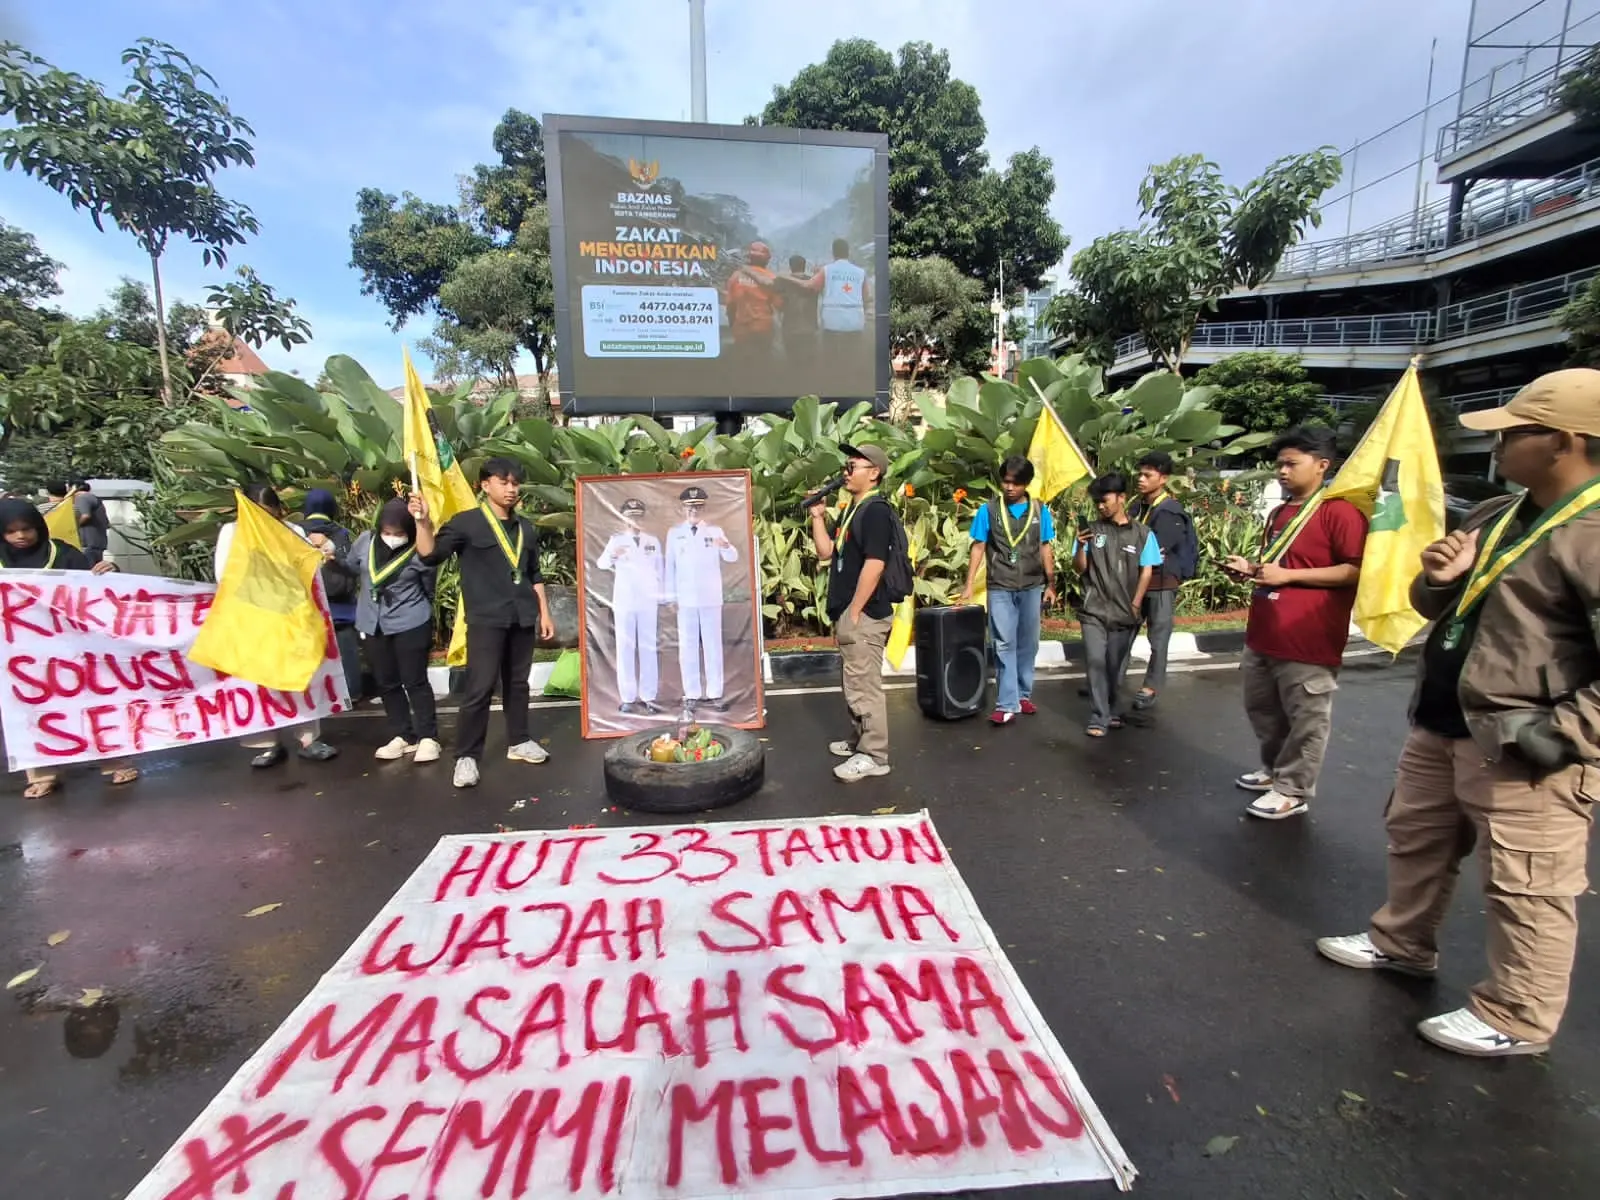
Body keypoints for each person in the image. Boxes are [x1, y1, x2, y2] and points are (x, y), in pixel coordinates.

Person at [1315, 370, 1600, 1058]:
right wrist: (1437, 580)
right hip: (1444, 720)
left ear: (1563, 441)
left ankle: (1518, 1013)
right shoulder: (1496, 513)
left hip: (1523, 739)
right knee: (1416, 839)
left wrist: (1558, 733)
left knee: (1525, 881)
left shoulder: (1589, 536)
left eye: (1512, 432)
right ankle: (1401, 942)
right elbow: (1432, 606)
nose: (1497, 444)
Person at [1223, 425, 1367, 820]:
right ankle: (1273, 771)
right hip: (1265, 633)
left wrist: (1287, 578)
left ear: (1322, 465)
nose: (1281, 472)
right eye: (1278, 464)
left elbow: (1354, 570)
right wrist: (1251, 569)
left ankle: (1294, 788)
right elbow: (1280, 565)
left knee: (1306, 718)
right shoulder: (1279, 512)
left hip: (1309, 637)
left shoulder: (1339, 512)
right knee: (1264, 711)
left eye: (1291, 463)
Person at [411, 457, 556, 789]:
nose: (511, 489)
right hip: (486, 618)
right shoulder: (466, 523)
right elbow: (430, 554)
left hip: (522, 615)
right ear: (485, 485)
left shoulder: (525, 528)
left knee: (518, 684)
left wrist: (544, 612)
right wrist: (422, 522)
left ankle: (519, 741)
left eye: (515, 483)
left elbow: (534, 574)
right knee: (480, 688)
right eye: (503, 482)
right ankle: (467, 756)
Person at [0, 498, 137, 797]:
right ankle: (43, 773)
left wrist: (110, 569)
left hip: (71, 649)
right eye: (11, 532)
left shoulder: (62, 553)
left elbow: (95, 587)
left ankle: (115, 763)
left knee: (93, 704)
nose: (20, 536)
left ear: (39, 527)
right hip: (21, 657)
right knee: (31, 711)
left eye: (26, 529)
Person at [214, 484, 340, 768]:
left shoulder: (292, 532)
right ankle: (269, 744)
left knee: (301, 677)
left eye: (269, 515)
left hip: (291, 619)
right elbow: (223, 575)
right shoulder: (231, 533)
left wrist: (323, 550)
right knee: (260, 683)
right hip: (253, 621)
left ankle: (309, 739)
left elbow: (310, 567)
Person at [808, 443, 895, 782]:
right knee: (854, 682)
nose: (846, 471)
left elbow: (875, 563)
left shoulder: (875, 511)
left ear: (873, 473)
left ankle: (874, 755)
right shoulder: (852, 510)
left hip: (865, 613)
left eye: (853, 465)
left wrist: (856, 611)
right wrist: (818, 516)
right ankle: (860, 740)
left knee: (864, 686)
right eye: (846, 465)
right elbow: (826, 551)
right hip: (850, 610)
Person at [961, 456, 1057, 725]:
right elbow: (978, 547)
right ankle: (1006, 703)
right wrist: (969, 583)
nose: (1009, 487)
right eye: (1005, 481)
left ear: (1026, 484)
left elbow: (1045, 547)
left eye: (1015, 483)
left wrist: (1051, 584)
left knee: (1029, 643)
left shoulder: (1040, 511)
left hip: (1032, 585)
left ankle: (1022, 694)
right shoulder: (988, 510)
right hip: (1000, 585)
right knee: (1003, 642)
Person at [349, 498, 440, 764]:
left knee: (415, 681)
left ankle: (427, 737)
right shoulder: (365, 541)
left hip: (410, 620)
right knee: (387, 683)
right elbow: (352, 566)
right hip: (371, 622)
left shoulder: (418, 548)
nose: (391, 538)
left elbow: (428, 583)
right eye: (387, 532)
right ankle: (404, 735)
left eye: (398, 533)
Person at [1073, 473, 1162, 737]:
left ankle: (1110, 710)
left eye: (1105, 501)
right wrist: (1079, 547)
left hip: (1126, 613)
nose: (1100, 506)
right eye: (1096, 502)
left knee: (1114, 666)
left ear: (1121, 498)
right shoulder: (1090, 530)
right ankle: (1099, 717)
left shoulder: (1143, 534)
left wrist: (1136, 604)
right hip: (1094, 611)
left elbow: (1147, 571)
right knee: (1096, 662)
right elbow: (1080, 568)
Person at [665, 486, 738, 719]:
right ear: (682, 508)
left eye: (698, 506)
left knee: (712, 646)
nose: (694, 510)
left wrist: (725, 546)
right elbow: (670, 567)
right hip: (685, 599)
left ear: (704, 507)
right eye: (690, 507)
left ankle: (715, 693)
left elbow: (732, 556)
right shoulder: (674, 534)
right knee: (687, 648)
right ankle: (692, 695)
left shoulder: (715, 531)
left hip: (710, 598)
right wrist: (670, 597)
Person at [1128, 451, 1192, 709]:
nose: (1141, 479)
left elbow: (1156, 549)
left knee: (1158, 637)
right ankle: (1109, 679)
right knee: (1124, 632)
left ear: (1163, 478)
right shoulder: (1137, 506)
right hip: (1136, 581)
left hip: (1161, 583)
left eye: (1148, 475)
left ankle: (1151, 686)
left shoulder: (1170, 511)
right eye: (1140, 474)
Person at [596, 497, 664, 716]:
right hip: (624, 600)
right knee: (625, 648)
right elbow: (602, 564)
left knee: (648, 648)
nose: (634, 520)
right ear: (623, 518)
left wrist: (661, 596)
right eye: (630, 516)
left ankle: (649, 697)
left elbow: (660, 570)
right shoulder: (616, 540)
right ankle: (627, 698)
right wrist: (613, 554)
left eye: (638, 516)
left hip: (647, 600)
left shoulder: (652, 540)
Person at [301, 488, 363, 704]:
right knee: (346, 653)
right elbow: (352, 566)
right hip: (341, 608)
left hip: (308, 606)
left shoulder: (296, 532)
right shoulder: (341, 533)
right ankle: (352, 691)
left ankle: (316, 696)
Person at [722, 241, 782, 384]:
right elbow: (779, 304)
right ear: (766, 259)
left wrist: (733, 325)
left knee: (742, 365)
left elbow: (730, 305)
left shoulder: (736, 276)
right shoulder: (771, 278)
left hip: (741, 329)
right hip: (763, 327)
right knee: (763, 363)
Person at [777, 253, 819, 372]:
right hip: (810, 328)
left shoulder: (783, 282)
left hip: (790, 329)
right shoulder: (813, 282)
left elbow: (779, 306)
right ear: (804, 266)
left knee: (792, 365)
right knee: (809, 366)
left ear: (791, 266)